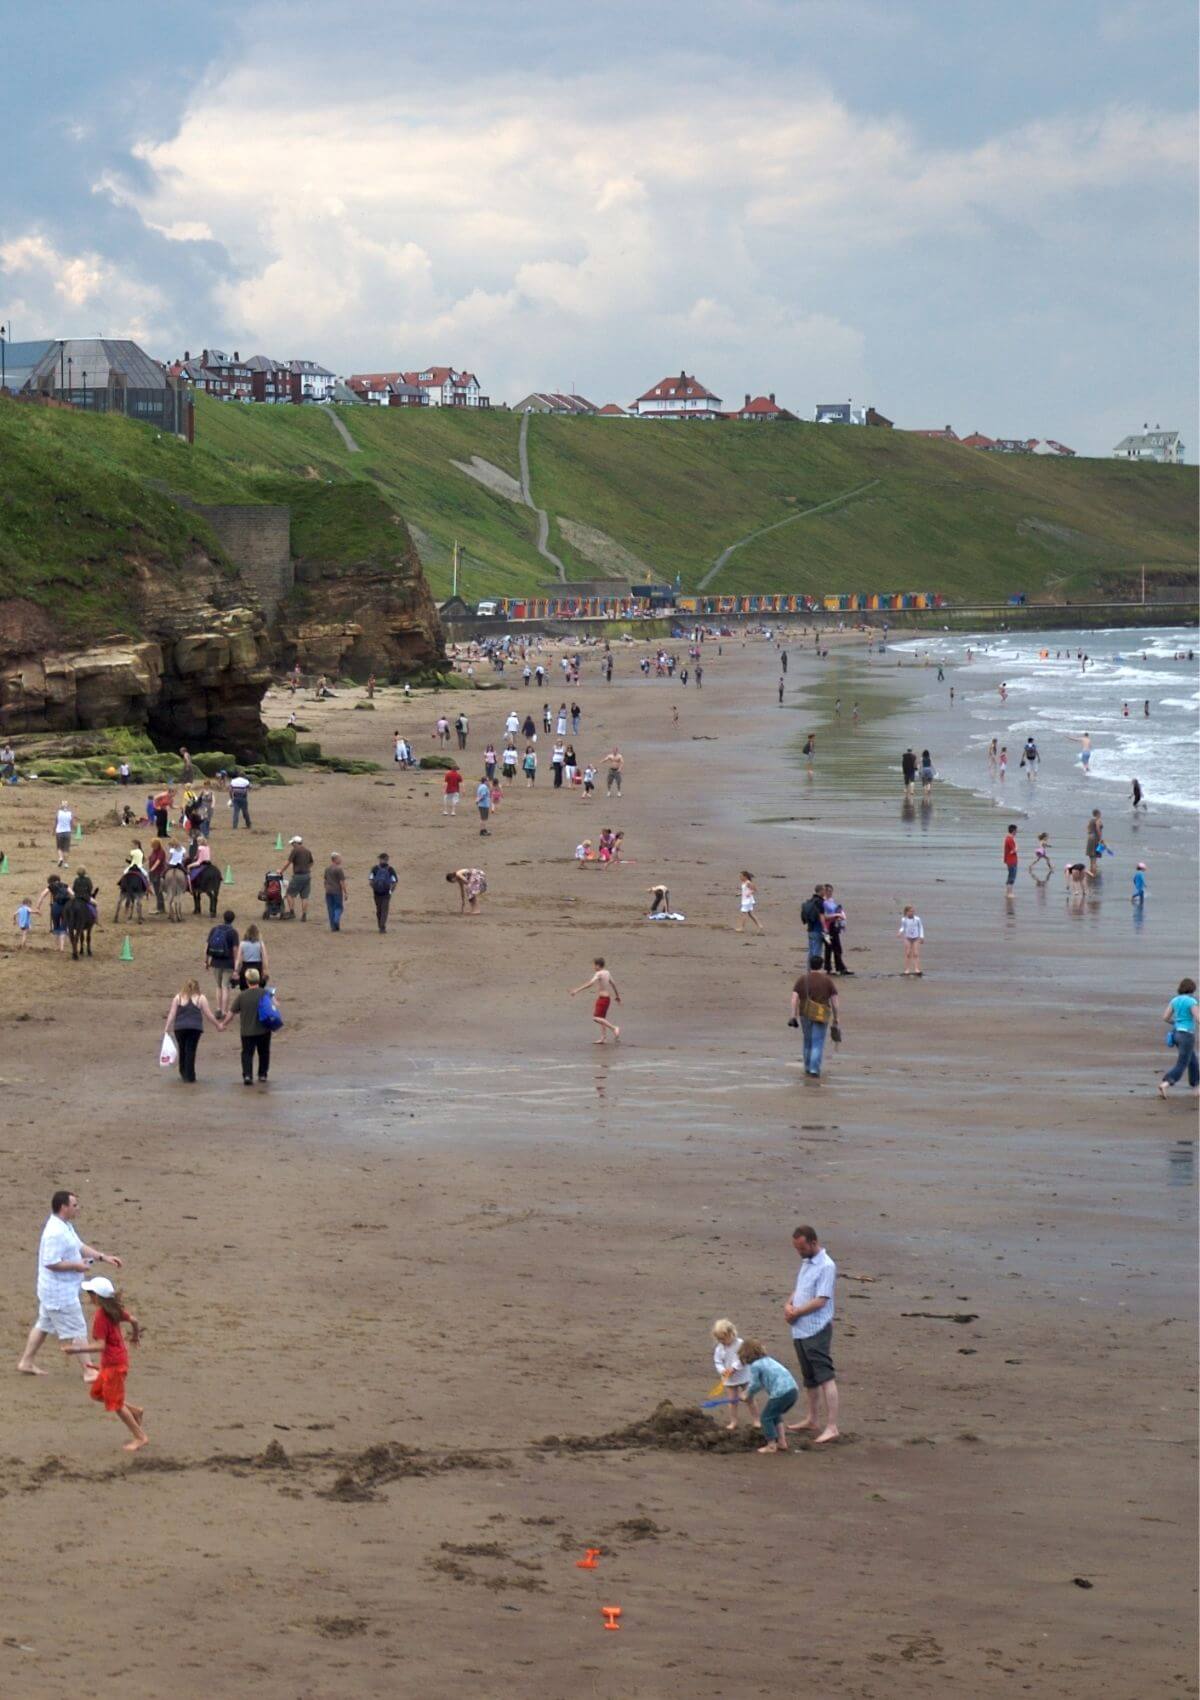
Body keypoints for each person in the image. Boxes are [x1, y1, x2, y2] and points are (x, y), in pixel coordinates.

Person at [16, 1190, 123, 1379]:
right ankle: (89, 1371)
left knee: (43, 1325)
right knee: (77, 1329)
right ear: (63, 1207)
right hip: (59, 1293)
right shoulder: (54, 1233)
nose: (78, 1209)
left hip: (57, 1290)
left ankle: (26, 1361)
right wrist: (76, 1265)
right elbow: (50, 1262)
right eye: (74, 1205)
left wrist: (102, 1257)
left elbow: (79, 1246)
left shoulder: (65, 1225)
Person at [61, 1277, 147, 1450]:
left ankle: (140, 1436)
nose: (88, 1296)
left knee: (116, 1405)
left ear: (97, 1297)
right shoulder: (115, 1310)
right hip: (116, 1361)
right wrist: (135, 1335)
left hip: (114, 1365)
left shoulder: (101, 1316)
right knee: (97, 1394)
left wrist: (75, 1349)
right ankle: (135, 1411)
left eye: (90, 1293)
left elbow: (101, 1345)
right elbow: (134, 1320)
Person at [783, 1224, 840, 1443]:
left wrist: (796, 1311)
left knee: (825, 1376)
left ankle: (832, 1426)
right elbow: (800, 1288)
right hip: (800, 1328)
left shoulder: (826, 1266)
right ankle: (812, 1419)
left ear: (813, 1243)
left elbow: (821, 1299)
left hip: (816, 1328)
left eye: (802, 1248)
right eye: (797, 1248)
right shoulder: (806, 1262)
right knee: (810, 1379)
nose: (799, 1253)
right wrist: (788, 1304)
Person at [736, 1340, 799, 1455]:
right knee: (775, 1415)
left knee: (766, 1417)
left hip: (781, 1393)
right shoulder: (768, 1360)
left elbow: (755, 1384)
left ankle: (771, 1445)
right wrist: (748, 1393)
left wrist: (747, 1394)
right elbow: (760, 1383)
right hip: (793, 1391)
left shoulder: (755, 1365)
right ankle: (782, 1442)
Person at [162, 977, 223, 1082]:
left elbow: (172, 1013)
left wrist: (167, 1027)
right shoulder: (201, 998)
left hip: (180, 1028)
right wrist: (218, 1025)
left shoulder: (178, 997)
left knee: (182, 1049)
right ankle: (190, 1075)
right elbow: (208, 1014)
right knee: (191, 1050)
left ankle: (183, 1072)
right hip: (195, 1028)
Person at [789, 962, 838, 1080]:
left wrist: (793, 1016)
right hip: (821, 1015)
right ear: (821, 965)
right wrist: (836, 1017)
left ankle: (807, 1066)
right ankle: (814, 1069)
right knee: (818, 1042)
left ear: (810, 965)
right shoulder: (827, 981)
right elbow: (835, 1001)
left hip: (805, 1014)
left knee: (807, 1041)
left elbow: (794, 999)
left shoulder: (802, 979)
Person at [226, 967, 272, 1086]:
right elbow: (274, 1008)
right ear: (258, 980)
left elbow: (231, 1013)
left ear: (247, 981)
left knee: (247, 1053)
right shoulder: (265, 993)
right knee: (264, 1052)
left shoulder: (242, 996)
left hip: (247, 1031)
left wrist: (223, 1024)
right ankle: (262, 1074)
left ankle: (247, 1075)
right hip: (264, 1030)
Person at [710, 1319, 757, 1431]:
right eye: (719, 1339)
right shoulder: (719, 1348)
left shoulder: (740, 1344)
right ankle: (733, 1421)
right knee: (732, 1401)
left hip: (744, 1375)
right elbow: (717, 1361)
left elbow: (743, 1358)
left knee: (749, 1398)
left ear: (731, 1333)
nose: (721, 1341)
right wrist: (722, 1370)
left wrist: (734, 1368)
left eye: (723, 1338)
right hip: (729, 1379)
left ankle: (756, 1419)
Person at [1158, 978, 1198, 1098]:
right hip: (1186, 1035)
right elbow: (1198, 1017)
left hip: (1176, 1034)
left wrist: (1176, 1023)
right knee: (1182, 1063)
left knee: (1193, 1061)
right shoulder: (1191, 1001)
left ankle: (1197, 1085)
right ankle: (1166, 1083)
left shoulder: (1175, 1000)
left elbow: (1165, 1017)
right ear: (1192, 989)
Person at [569, 957, 621, 1043]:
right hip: (607, 999)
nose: (593, 967)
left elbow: (590, 983)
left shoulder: (599, 973)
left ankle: (614, 1028)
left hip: (603, 999)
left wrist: (577, 990)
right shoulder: (607, 972)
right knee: (602, 1018)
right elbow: (613, 984)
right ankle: (603, 1038)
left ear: (598, 965)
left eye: (594, 965)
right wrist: (617, 996)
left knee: (596, 1018)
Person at [205, 909, 239, 1018]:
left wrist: (206, 961)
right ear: (233, 920)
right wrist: (236, 965)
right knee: (225, 987)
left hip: (216, 961)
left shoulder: (214, 929)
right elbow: (235, 950)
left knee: (218, 986)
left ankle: (218, 1009)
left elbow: (207, 946)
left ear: (223, 918)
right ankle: (224, 1011)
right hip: (228, 963)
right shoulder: (233, 932)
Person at [821, 885, 850, 975]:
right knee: (832, 948)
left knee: (835, 947)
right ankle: (835, 968)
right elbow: (824, 916)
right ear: (824, 891)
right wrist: (836, 915)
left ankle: (836, 967)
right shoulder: (823, 903)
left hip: (834, 925)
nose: (830, 893)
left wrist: (840, 915)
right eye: (828, 891)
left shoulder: (831, 901)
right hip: (828, 927)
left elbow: (836, 911)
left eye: (831, 891)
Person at [283, 835, 313, 921]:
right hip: (307, 875)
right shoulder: (307, 851)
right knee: (304, 897)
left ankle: (292, 912)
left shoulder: (295, 850)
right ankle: (304, 915)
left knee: (289, 893)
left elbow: (288, 862)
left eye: (292, 843)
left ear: (296, 843)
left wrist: (281, 871)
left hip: (298, 876)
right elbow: (311, 863)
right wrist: (306, 868)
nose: (292, 845)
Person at [369, 852, 398, 932]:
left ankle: (380, 925)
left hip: (377, 893)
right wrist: (390, 891)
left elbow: (370, 881)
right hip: (386, 893)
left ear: (380, 859)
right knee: (384, 910)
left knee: (379, 910)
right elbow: (394, 882)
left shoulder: (375, 868)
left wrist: (374, 888)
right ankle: (382, 927)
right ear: (387, 860)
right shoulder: (390, 869)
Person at [234, 923, 268, 987]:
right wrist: (265, 970)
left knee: (244, 987)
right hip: (257, 966)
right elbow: (264, 958)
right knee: (258, 987)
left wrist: (236, 970)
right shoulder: (260, 943)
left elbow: (238, 959)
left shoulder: (242, 943)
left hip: (246, 966)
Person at [801, 885, 826, 966]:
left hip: (810, 929)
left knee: (811, 952)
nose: (825, 892)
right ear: (821, 891)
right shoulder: (820, 902)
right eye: (824, 890)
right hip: (817, 930)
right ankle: (814, 972)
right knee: (817, 953)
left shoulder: (811, 901)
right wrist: (825, 928)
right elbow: (822, 916)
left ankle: (809, 971)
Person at [324, 853, 348, 931]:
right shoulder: (339, 869)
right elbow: (342, 882)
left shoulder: (327, 869)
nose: (341, 860)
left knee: (330, 909)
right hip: (337, 891)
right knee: (338, 907)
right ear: (336, 859)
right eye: (339, 858)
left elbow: (325, 880)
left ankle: (333, 927)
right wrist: (345, 892)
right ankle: (336, 920)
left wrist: (326, 888)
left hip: (328, 891)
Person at [898, 906, 924, 975]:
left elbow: (921, 927)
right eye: (910, 911)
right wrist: (900, 932)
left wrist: (921, 937)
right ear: (906, 912)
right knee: (908, 953)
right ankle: (907, 970)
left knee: (916, 953)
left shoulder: (917, 919)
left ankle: (917, 969)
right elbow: (903, 927)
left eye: (913, 911)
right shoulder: (904, 919)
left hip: (916, 937)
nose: (912, 912)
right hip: (907, 937)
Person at [54, 799, 74, 867]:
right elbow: (72, 823)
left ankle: (60, 858)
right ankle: (66, 863)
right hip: (67, 832)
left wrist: (54, 830)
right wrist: (71, 830)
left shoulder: (58, 812)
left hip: (59, 832)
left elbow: (56, 822)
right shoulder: (70, 813)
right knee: (66, 849)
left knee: (59, 847)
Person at [1086, 809, 1103, 876]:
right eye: (1100, 813)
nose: (1100, 815)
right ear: (1098, 814)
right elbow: (1098, 829)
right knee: (1095, 856)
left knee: (1091, 856)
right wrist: (1100, 838)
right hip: (1095, 837)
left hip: (1090, 837)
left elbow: (1087, 828)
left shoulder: (1090, 820)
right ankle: (1093, 873)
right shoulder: (1098, 820)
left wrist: (1090, 833)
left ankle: (1091, 870)